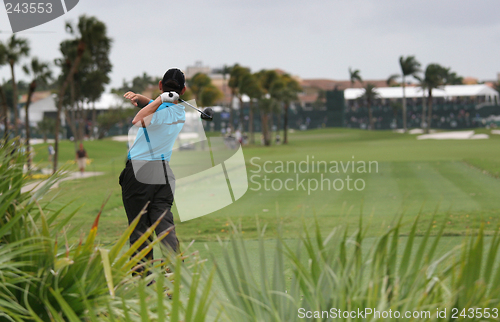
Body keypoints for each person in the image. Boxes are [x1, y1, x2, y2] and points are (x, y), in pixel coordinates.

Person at [119, 68, 186, 277]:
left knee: (139, 227)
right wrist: (141, 98)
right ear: (183, 90)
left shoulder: (156, 112)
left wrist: (156, 99)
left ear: (160, 85)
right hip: (163, 174)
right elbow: (155, 107)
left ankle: (142, 280)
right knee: (163, 220)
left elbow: (137, 120)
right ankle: (174, 265)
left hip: (140, 172)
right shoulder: (179, 113)